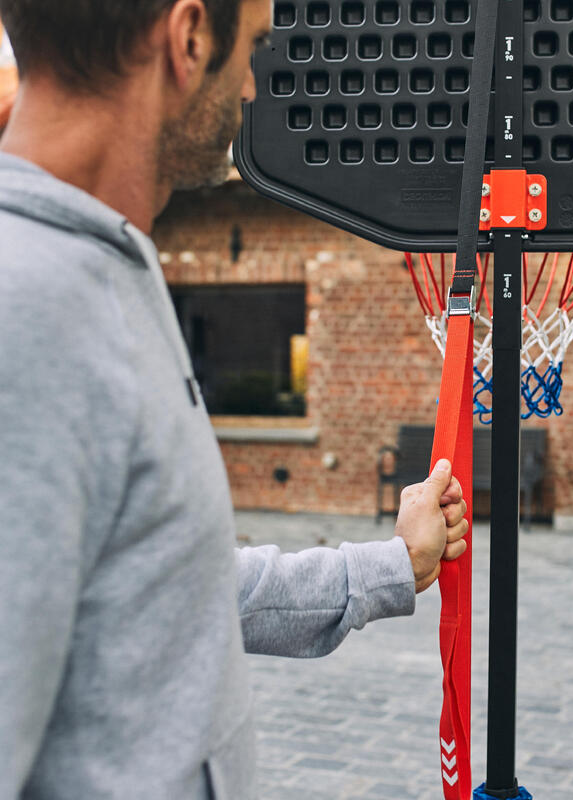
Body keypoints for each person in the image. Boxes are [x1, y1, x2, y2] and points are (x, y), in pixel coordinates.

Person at [0, 1, 469, 798]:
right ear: (188, 39)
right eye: (251, 46)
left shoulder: (106, 261)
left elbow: (173, 585)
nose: (253, 85)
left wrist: (391, 568)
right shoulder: (27, 314)